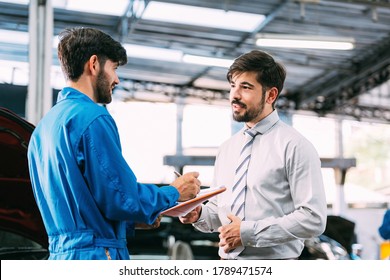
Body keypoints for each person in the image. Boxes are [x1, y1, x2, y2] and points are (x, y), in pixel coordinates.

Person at [27, 27, 201, 260]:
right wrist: (174, 192)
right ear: (94, 64)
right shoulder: (93, 118)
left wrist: (130, 225)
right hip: (97, 257)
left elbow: (82, 208)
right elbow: (122, 198)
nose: (116, 79)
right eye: (114, 68)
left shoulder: (43, 129)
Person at [180, 50, 327, 260]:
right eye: (233, 86)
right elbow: (221, 212)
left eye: (246, 87)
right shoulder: (227, 148)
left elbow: (313, 219)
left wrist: (247, 232)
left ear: (271, 95)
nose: (235, 95)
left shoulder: (295, 146)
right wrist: (199, 214)